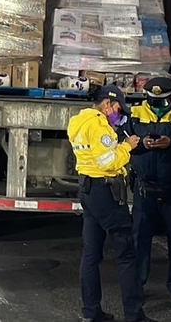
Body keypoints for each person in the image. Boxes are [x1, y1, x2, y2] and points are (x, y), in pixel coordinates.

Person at [68, 85, 154, 322]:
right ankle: (134, 315)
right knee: (126, 253)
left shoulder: (78, 121)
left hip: (87, 189)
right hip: (105, 191)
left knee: (91, 254)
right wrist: (127, 146)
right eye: (118, 108)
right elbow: (107, 161)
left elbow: (94, 154)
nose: (119, 113)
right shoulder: (99, 124)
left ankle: (91, 312)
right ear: (107, 104)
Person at [124, 77, 171, 305]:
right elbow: (122, 142)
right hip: (144, 187)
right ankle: (138, 285)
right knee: (140, 239)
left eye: (161, 102)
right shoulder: (134, 112)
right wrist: (142, 145)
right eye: (153, 101)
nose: (156, 106)